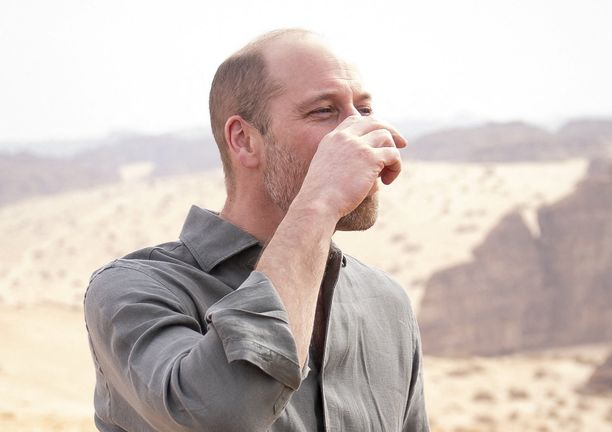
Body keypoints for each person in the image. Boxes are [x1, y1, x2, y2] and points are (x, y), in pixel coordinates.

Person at [83, 28, 429, 432]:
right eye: (324, 111)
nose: (364, 136)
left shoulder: (384, 302)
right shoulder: (135, 289)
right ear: (244, 140)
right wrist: (318, 203)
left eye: (365, 112)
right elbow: (224, 415)